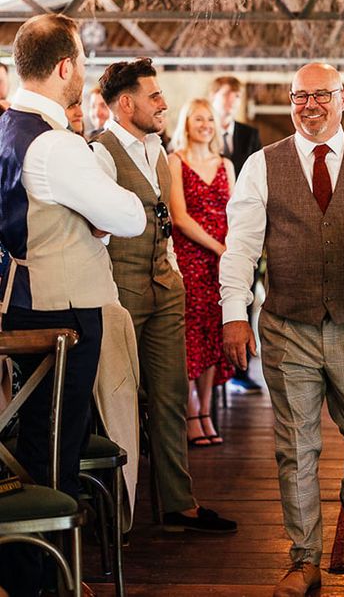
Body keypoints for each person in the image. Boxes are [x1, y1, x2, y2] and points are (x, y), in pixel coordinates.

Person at [220, 62, 344, 596]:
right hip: (287, 325)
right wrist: (234, 312)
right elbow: (241, 247)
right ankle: (304, 560)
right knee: (296, 448)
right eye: (302, 96)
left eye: (323, 95)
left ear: (343, 98)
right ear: (290, 101)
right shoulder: (262, 164)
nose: (312, 105)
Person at [0, 13, 145, 596]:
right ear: (66, 68)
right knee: (52, 454)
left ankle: (44, 578)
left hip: (27, 299)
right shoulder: (55, 144)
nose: (82, 72)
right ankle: (42, 584)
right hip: (62, 309)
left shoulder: (10, 126)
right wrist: (99, 215)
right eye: (83, 62)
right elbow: (130, 217)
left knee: (43, 444)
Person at [92, 58, 236, 534]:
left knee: (171, 395)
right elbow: (96, 228)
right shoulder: (101, 153)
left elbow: (164, 220)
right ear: (126, 103)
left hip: (165, 286)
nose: (163, 103)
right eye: (154, 97)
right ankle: (116, 510)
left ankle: (179, 502)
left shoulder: (156, 150)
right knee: (119, 401)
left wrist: (171, 268)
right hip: (122, 289)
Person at [168, 99, 235, 447]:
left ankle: (206, 411)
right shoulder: (175, 161)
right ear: (186, 123)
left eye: (210, 119)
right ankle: (191, 411)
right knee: (189, 334)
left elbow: (236, 213)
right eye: (198, 118)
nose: (205, 124)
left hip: (222, 263)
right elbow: (179, 216)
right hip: (190, 257)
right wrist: (217, 247)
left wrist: (233, 252)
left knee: (212, 333)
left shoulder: (226, 164)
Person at [210, 75, 265, 394]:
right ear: (215, 97)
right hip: (211, 225)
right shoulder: (201, 129)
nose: (232, 101)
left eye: (236, 96)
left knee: (245, 290)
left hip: (244, 222)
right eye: (227, 95)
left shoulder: (249, 134)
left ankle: (240, 368)